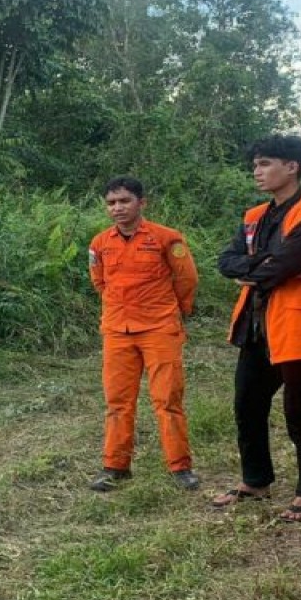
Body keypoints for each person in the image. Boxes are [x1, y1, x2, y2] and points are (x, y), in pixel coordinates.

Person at [214, 135, 301, 519]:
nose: (257, 171)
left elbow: (280, 267)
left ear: (292, 167)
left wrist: (261, 269)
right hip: (256, 326)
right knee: (247, 405)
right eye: (255, 165)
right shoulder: (254, 216)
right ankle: (255, 480)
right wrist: (262, 268)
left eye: (265, 163)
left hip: (300, 329)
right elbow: (227, 260)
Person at [86, 176, 200, 492]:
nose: (118, 208)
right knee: (118, 401)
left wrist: (174, 314)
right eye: (111, 203)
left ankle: (180, 467)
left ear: (141, 203)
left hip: (159, 329)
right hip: (117, 331)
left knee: (167, 399)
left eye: (124, 201)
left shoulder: (167, 238)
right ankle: (115, 467)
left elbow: (185, 279)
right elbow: (100, 282)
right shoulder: (99, 243)